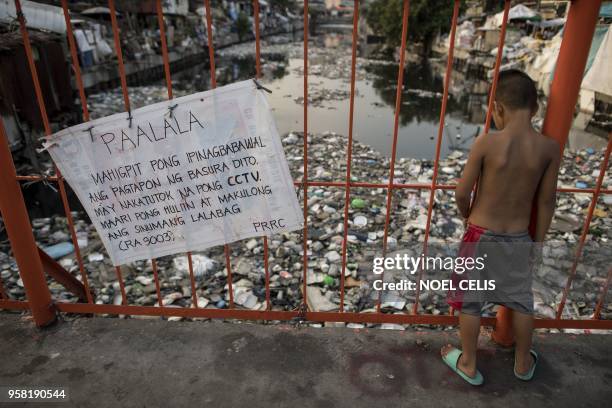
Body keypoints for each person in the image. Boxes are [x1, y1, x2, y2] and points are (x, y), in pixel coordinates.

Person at [440, 69, 560, 385]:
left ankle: (468, 362)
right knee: (520, 300)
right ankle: (522, 363)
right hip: (520, 237)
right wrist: (539, 242)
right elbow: (547, 202)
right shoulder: (549, 149)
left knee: (471, 301)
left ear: (498, 109)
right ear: (535, 109)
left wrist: (468, 214)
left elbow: (462, 192)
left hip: (480, 234)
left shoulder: (486, 143)